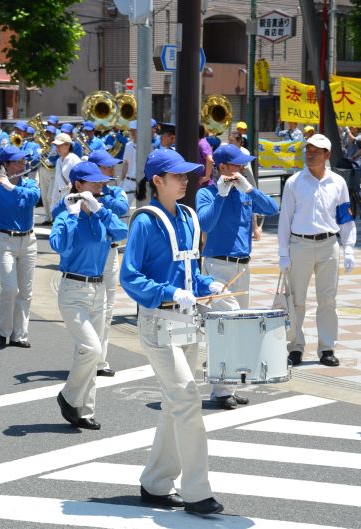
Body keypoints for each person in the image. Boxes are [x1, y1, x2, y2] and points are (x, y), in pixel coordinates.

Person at [120, 149, 225, 516]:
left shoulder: (190, 217)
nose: (186, 180)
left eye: (187, 175)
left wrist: (208, 283)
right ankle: (197, 492)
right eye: (177, 175)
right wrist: (168, 293)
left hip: (185, 320)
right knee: (186, 399)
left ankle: (156, 482)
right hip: (157, 321)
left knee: (174, 403)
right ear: (157, 181)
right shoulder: (145, 222)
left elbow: (190, 274)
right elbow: (129, 276)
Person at [196, 144, 279, 408]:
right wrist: (220, 196)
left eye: (243, 164)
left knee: (238, 325)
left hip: (242, 266)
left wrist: (249, 189)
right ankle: (221, 390)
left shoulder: (243, 190)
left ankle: (227, 387)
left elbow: (272, 208)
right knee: (226, 324)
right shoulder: (206, 192)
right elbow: (205, 224)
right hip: (217, 265)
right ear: (222, 167)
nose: (242, 168)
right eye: (237, 165)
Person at [50, 161, 128, 430]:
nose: (99, 186)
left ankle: (84, 409)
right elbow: (60, 246)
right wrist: (72, 215)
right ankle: (69, 397)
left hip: (97, 288)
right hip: (73, 290)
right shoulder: (65, 215)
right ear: (79, 185)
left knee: (90, 352)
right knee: (93, 349)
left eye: (100, 183)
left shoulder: (99, 213)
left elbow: (122, 232)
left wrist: (100, 211)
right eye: (93, 183)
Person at [278, 134, 356, 368]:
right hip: (300, 244)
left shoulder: (338, 183)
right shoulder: (294, 182)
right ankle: (295, 347)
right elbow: (285, 219)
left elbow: (345, 216)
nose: (310, 154)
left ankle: (326, 347)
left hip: (328, 245)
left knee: (328, 300)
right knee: (297, 300)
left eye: (316, 151)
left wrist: (349, 247)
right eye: (308, 149)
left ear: (327, 155)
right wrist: (283, 253)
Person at [0, 146, 40, 349]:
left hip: (28, 240)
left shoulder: (30, 184)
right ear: (6, 166)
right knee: (10, 288)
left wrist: (13, 188)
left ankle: (19, 335)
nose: (22, 164)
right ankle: (2, 332)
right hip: (5, 240)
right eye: (17, 162)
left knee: (26, 291)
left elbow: (33, 199)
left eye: (23, 161)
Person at [86, 150, 129, 376]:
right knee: (89, 306)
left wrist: (100, 198)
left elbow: (122, 208)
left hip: (111, 252)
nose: (111, 170)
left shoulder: (115, 191)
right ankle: (87, 358)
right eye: (106, 167)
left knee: (107, 308)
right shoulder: (80, 193)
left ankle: (100, 360)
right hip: (90, 254)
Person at [50, 132, 80, 209]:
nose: (57, 148)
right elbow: (56, 184)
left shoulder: (75, 159)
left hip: (73, 199)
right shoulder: (58, 161)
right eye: (57, 145)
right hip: (62, 200)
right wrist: (53, 204)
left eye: (60, 145)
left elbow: (80, 182)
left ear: (68, 145)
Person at [121, 120, 138, 205]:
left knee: (144, 209)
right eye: (131, 131)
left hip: (141, 181)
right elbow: (125, 163)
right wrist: (122, 180)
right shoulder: (128, 145)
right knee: (124, 208)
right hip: (129, 181)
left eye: (134, 131)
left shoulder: (148, 145)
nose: (132, 133)